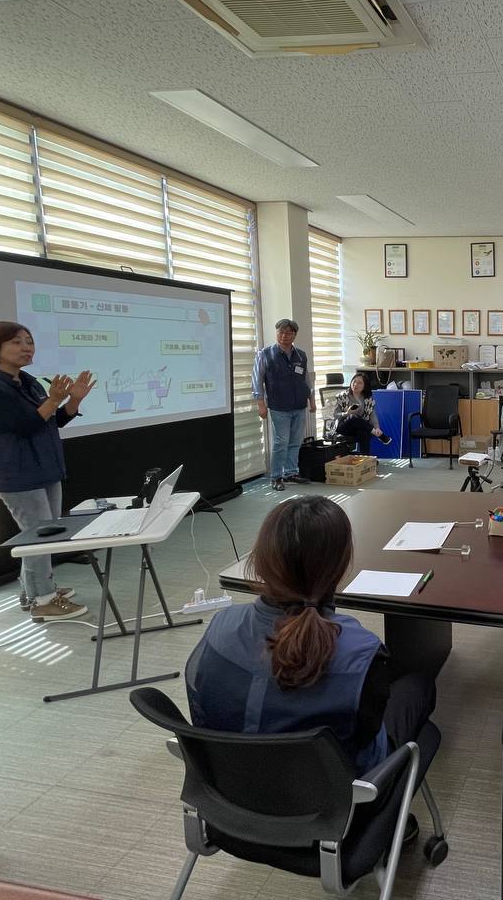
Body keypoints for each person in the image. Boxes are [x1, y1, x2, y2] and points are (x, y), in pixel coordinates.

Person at [186, 496, 437, 780]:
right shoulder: (363, 654)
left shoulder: (220, 625)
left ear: (262, 559)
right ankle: (395, 817)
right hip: (335, 810)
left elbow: (202, 709)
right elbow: (367, 739)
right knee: (420, 693)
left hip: (230, 793)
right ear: (340, 567)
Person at [0, 321, 93, 621]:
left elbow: (53, 421)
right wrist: (52, 400)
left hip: (44, 466)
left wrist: (73, 401)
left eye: (29, 341)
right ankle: (44, 600)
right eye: (17, 342)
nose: (27, 347)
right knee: (39, 536)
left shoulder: (28, 380)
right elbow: (23, 426)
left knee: (40, 534)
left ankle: (32, 591)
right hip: (16, 473)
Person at [253, 318, 315, 491]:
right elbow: (257, 381)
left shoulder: (301, 355)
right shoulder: (265, 354)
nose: (284, 336)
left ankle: (290, 472)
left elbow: (306, 379)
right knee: (281, 442)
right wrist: (261, 404)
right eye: (280, 332)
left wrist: (312, 400)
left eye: (288, 333)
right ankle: (276, 477)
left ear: (294, 334)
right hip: (279, 406)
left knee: (295, 441)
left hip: (299, 405)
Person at [333, 372, 392, 454]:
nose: (355, 384)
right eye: (354, 381)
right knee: (353, 417)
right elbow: (335, 415)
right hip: (342, 427)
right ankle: (378, 434)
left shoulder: (367, 399)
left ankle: (366, 460)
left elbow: (372, 415)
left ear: (365, 386)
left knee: (363, 433)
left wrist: (377, 427)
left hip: (358, 428)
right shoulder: (342, 396)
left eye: (360, 383)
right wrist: (347, 413)